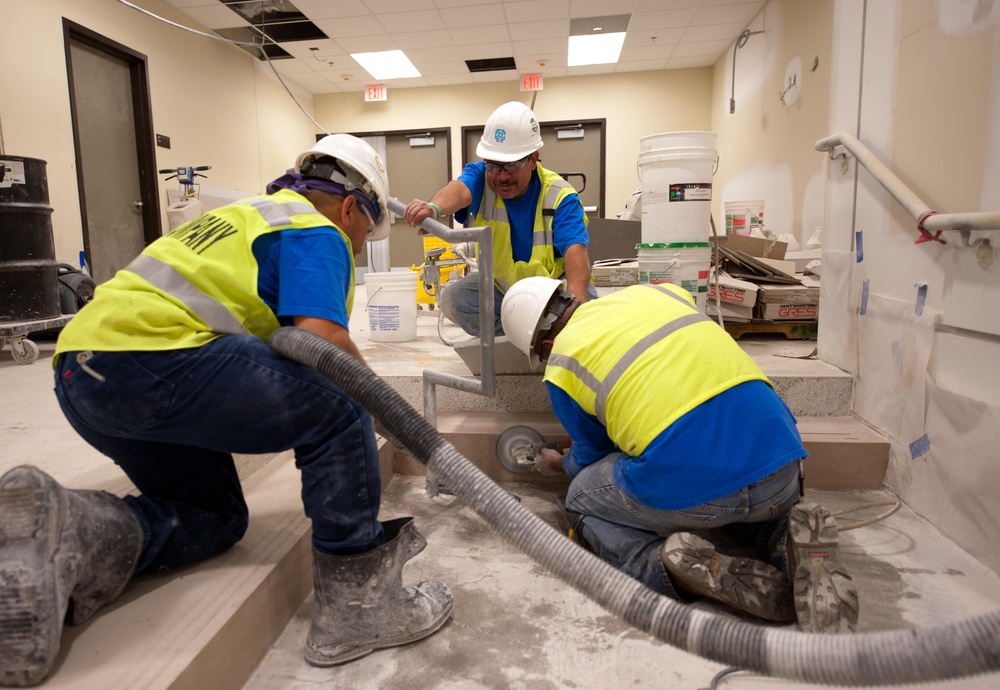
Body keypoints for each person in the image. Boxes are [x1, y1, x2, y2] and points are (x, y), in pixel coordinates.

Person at [0, 134, 453, 687]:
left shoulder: (243, 216)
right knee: (339, 401)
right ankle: (358, 608)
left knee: (213, 519)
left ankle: (74, 530)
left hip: (81, 376)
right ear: (352, 206)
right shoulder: (315, 227)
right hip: (154, 362)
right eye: (363, 236)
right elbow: (323, 339)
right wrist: (396, 420)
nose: (357, 248)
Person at [500, 277, 859, 632]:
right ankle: (787, 542)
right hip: (781, 465)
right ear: (569, 300)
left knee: (580, 498)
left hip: (694, 483)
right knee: (753, 496)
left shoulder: (562, 363)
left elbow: (590, 458)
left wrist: (558, 464)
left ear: (546, 344)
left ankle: (666, 567)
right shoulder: (659, 293)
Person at [403, 101, 596, 337]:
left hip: (552, 290)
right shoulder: (481, 176)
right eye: (494, 166)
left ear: (533, 159)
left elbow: (576, 252)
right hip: (502, 289)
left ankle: (548, 336)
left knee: (587, 313)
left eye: (512, 165)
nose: (501, 176)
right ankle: (530, 340)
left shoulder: (560, 196)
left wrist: (575, 308)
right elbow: (459, 189)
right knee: (454, 299)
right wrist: (434, 207)